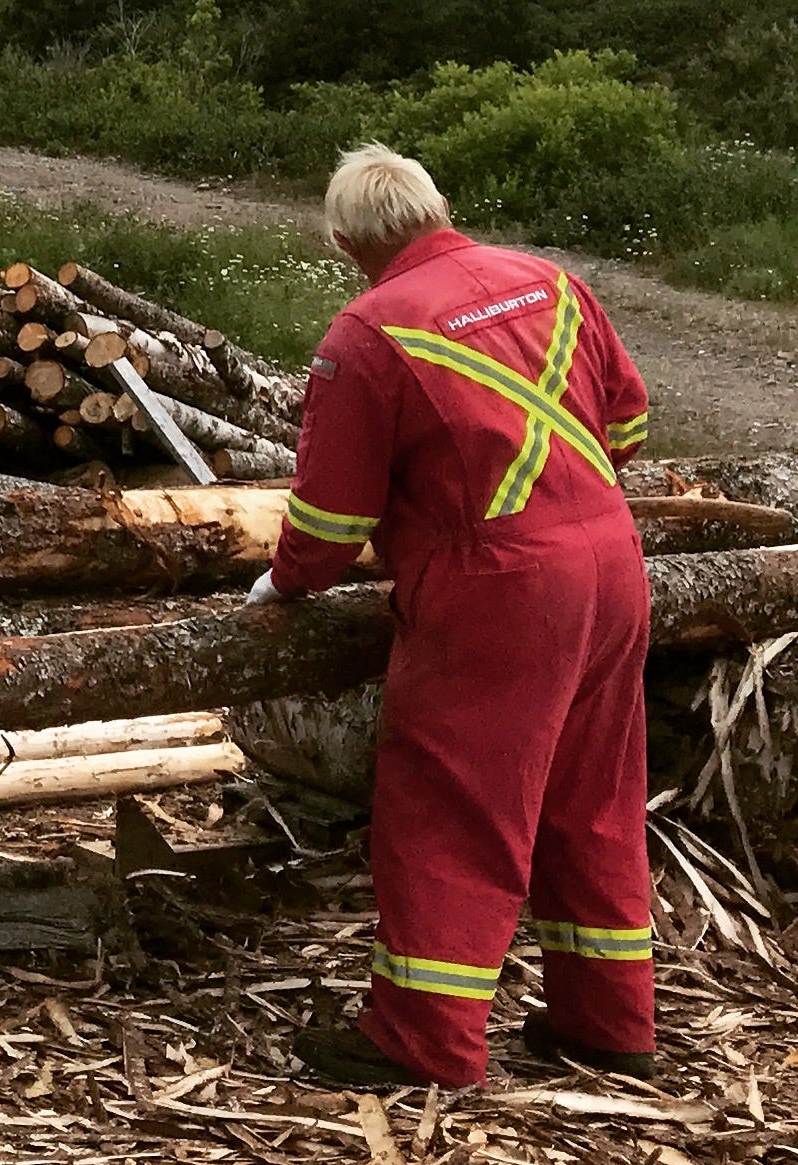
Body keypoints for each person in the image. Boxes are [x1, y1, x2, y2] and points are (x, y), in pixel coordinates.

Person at [253, 144, 658, 1090]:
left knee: (454, 808)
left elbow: (332, 520)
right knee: (592, 795)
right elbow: (629, 425)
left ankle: (423, 1037)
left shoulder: (365, 334)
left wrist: (284, 583)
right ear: (438, 206)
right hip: (613, 563)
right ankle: (610, 1021)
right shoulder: (552, 282)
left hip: (497, 587)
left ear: (344, 239)